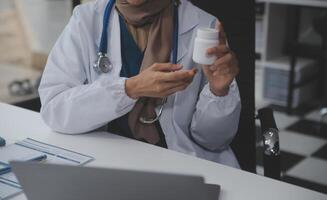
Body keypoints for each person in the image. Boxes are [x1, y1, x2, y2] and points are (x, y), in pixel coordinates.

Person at [39, 0, 241, 168]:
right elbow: (55, 109)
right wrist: (130, 89)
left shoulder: (204, 27)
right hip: (107, 161)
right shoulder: (86, 20)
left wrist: (218, 92)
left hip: (180, 164)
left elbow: (213, 141)